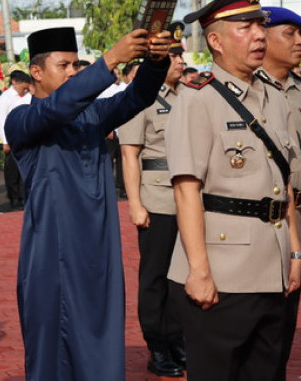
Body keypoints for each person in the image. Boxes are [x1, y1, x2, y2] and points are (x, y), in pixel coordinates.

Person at [7, 25, 171, 380]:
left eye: (76, 66)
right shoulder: (22, 119)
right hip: (52, 254)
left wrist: (155, 61)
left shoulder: (93, 115)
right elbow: (55, 110)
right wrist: (111, 58)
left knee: (102, 342)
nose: (72, 72)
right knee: (54, 352)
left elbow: (136, 97)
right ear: (36, 72)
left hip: (99, 252)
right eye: (63, 65)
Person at [166, 0, 301, 381]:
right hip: (222, 271)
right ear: (217, 41)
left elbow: (286, 183)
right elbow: (187, 190)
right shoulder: (197, 98)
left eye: (261, 25)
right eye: (246, 27)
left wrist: (296, 252)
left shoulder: (275, 97)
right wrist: (199, 270)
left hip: (273, 266)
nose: (259, 35)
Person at [118, 22, 186, 377]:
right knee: (155, 277)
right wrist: (135, 203)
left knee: (182, 276)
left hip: (187, 198)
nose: (180, 61)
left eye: (181, 54)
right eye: (173, 55)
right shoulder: (139, 97)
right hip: (156, 197)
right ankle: (157, 346)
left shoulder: (188, 95)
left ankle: (178, 340)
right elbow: (130, 154)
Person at [258, 5, 301, 379]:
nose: (300, 42)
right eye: (290, 34)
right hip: (273, 217)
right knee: (275, 312)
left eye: (300, 35)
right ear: (265, 37)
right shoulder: (245, 92)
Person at [0, 70, 32, 210]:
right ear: (14, 82)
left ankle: (24, 198)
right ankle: (14, 199)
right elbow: (1, 120)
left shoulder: (28, 96)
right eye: (23, 87)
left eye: (27, 88)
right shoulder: (5, 97)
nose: (25, 90)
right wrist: (5, 141)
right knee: (12, 173)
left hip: (26, 138)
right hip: (12, 139)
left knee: (25, 170)